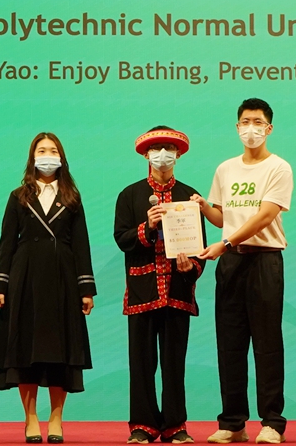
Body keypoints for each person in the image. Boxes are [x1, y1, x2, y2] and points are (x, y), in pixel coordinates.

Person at [195, 99, 293, 445]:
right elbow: (223, 218)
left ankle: (272, 422)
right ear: (237, 127)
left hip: (265, 260)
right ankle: (233, 423)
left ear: (269, 128)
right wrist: (202, 207)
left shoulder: (279, 168)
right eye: (245, 122)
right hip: (231, 262)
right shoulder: (225, 169)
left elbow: (265, 215)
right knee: (230, 344)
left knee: (267, 344)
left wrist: (225, 243)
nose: (251, 128)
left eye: (258, 122)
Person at [0, 132, 96, 444]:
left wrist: (85, 289)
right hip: (25, 279)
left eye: (52, 151)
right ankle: (31, 417)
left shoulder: (72, 197)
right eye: (41, 151)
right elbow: (6, 243)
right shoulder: (18, 196)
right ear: (32, 157)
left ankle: (56, 418)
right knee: (25, 351)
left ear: (61, 158)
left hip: (63, 279)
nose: (47, 156)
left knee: (62, 352)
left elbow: (81, 244)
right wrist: (0, 284)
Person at [114, 126, 208, 445]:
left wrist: (191, 266)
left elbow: (200, 247)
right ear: (146, 155)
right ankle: (142, 425)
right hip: (142, 291)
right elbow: (122, 239)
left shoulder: (189, 196)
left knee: (173, 364)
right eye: (156, 149)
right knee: (141, 364)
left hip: (177, 291)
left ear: (178, 154)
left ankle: (174, 425)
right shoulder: (130, 195)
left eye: (169, 148)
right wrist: (147, 227)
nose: (162, 154)